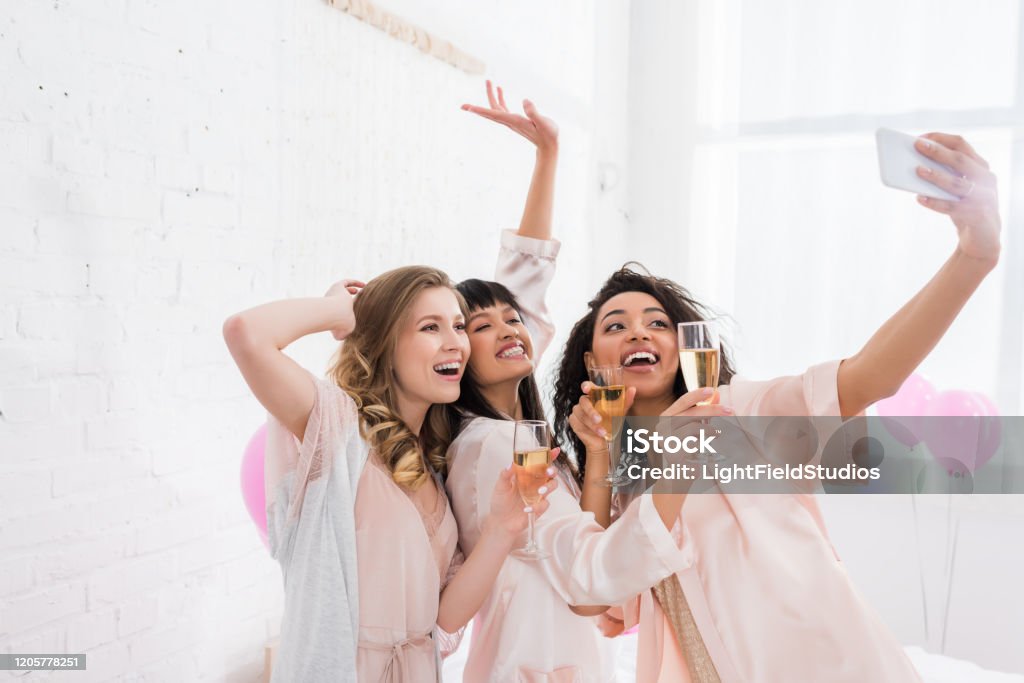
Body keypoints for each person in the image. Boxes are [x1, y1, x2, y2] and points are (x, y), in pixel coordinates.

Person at [551, 133, 1001, 682]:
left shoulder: (743, 412)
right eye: (615, 325)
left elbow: (868, 377)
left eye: (658, 322)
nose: (638, 331)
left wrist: (973, 258)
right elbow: (590, 597)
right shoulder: (614, 479)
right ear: (591, 361)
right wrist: (600, 453)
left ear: (685, 347)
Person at [443, 83, 697, 682]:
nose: (512, 329)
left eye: (514, 320)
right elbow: (586, 571)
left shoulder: (524, 433)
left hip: (560, 651)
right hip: (534, 662)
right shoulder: (490, 445)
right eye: (481, 326)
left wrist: (548, 157)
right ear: (456, 354)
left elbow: (521, 287)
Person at [223, 272, 557, 678]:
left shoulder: (433, 468)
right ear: (385, 343)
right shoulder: (339, 430)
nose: (455, 342)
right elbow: (245, 333)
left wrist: (503, 528)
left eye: (457, 326)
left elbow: (445, 618)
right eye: (430, 327)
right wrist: (339, 312)